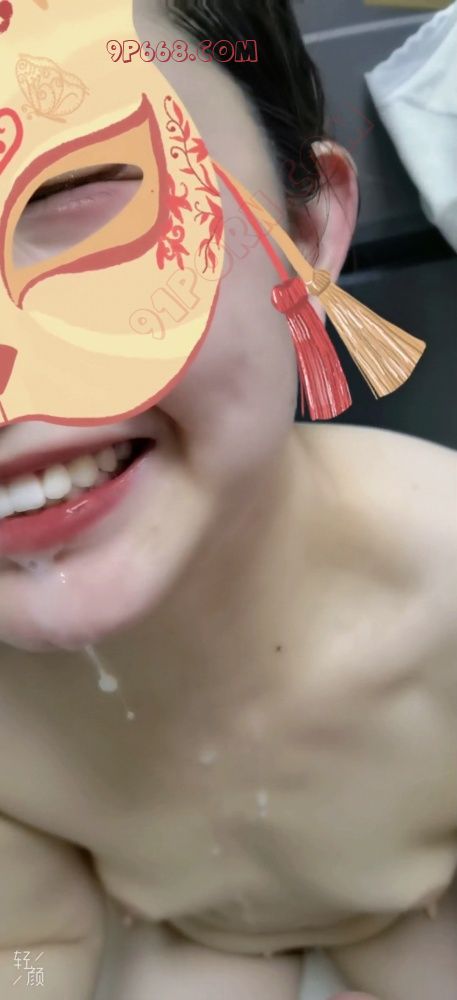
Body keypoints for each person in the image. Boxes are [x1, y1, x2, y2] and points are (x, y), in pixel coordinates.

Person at [0, 0, 455, 997]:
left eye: (75, 191)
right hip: (184, 926)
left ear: (304, 232)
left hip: (416, 905)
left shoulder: (444, 593)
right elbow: (27, 945)